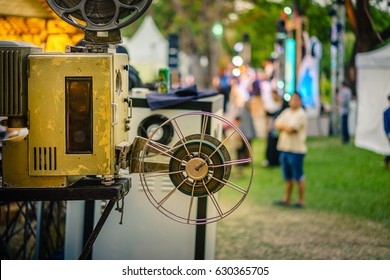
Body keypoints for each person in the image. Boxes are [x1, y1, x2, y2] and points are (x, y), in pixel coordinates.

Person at [273, 92, 308, 208]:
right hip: (284, 148)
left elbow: (291, 129)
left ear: (300, 101)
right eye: (293, 100)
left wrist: (283, 127)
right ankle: (286, 199)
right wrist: (284, 127)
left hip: (296, 150)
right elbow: (276, 124)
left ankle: (300, 200)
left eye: (297, 100)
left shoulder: (301, 114)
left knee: (298, 176)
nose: (294, 102)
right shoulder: (286, 112)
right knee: (287, 176)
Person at [383, 94, 390, 168]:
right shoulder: (386, 112)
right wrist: (388, 134)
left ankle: (387, 158)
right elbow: (386, 125)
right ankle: (387, 158)